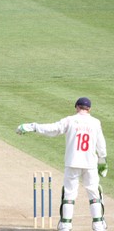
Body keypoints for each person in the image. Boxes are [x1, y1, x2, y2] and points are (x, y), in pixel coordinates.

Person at [16, 97, 108, 231]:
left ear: (76, 107)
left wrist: (33, 126)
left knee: (69, 193)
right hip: (90, 163)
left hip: (72, 162)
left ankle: (65, 224)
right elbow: (101, 144)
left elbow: (53, 129)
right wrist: (102, 161)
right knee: (94, 192)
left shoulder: (70, 120)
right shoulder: (95, 122)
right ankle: (98, 224)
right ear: (89, 109)